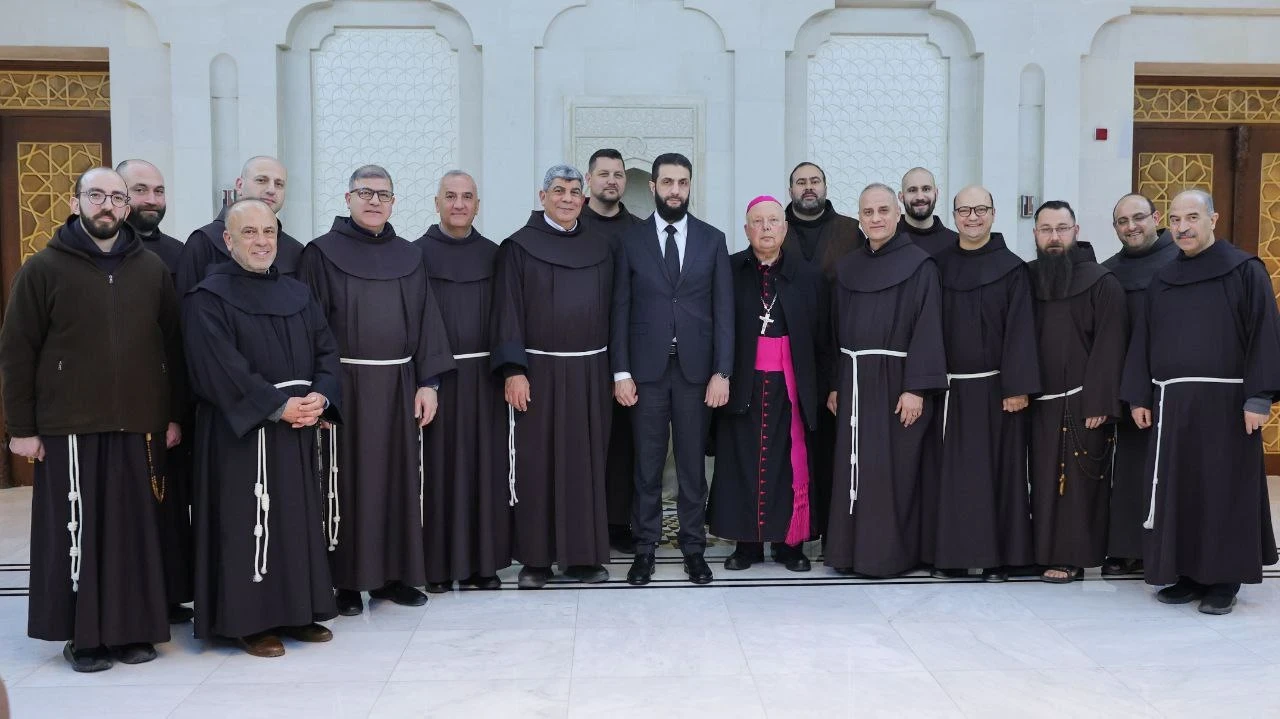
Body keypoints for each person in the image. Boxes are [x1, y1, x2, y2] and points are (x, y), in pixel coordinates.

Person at [0, 167, 183, 671]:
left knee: (133, 533)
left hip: (139, 425)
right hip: (68, 429)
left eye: (117, 198)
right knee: (75, 530)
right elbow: (17, 353)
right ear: (76, 201)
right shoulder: (42, 270)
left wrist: (172, 416)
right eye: (96, 195)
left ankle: (132, 632)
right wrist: (21, 429)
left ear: (127, 209)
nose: (108, 205)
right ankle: (83, 637)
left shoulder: (151, 270)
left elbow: (172, 347)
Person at [184, 198, 342, 657]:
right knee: (247, 521)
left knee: (294, 521)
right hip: (241, 435)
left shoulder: (298, 292)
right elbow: (219, 368)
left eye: (268, 232)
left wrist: (322, 395)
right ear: (228, 240)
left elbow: (326, 349)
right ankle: (248, 621)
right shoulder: (208, 297)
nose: (261, 241)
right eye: (249, 233)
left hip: (296, 428)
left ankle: (298, 611)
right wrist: (278, 407)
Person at [300, 165, 455, 615]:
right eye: (365, 192)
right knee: (346, 482)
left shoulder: (409, 255)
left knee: (398, 481)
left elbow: (426, 319)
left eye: (383, 194)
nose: (374, 201)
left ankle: (393, 576)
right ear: (347, 198)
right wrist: (321, 389)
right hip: (344, 386)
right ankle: (346, 581)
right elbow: (311, 327)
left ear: (393, 202)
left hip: (399, 385)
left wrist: (429, 382)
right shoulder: (320, 254)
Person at [1122, 189, 1280, 615]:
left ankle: (1223, 581)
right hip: (1173, 404)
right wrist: (1139, 394)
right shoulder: (1163, 277)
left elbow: (1263, 333)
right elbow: (1144, 339)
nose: (1182, 227)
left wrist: (1259, 396)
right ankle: (1188, 574)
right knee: (1181, 490)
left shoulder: (1245, 271)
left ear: (1214, 218)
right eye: (1174, 220)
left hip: (1227, 405)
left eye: (1191, 217)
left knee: (1222, 490)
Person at [491, 164, 614, 589]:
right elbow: (506, 311)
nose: (566, 198)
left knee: (585, 463)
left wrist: (617, 373)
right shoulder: (519, 247)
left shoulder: (600, 247)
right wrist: (513, 370)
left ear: (584, 199)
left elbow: (616, 312)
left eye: (574, 191)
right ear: (542, 197)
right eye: (558, 190)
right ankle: (536, 560)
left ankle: (582, 557)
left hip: (590, 371)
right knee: (536, 465)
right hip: (538, 372)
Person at [612, 152, 732, 586]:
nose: (675, 190)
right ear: (654, 187)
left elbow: (724, 311)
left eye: (682, 182)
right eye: (667, 183)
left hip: (697, 374)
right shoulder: (631, 240)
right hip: (644, 374)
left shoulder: (712, 239)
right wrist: (620, 371)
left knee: (691, 468)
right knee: (645, 466)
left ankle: (693, 550)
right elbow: (620, 309)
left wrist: (723, 371)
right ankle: (643, 550)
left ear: (690, 186)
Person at [824, 183, 947, 577]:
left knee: (894, 472)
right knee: (852, 467)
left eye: (882, 211)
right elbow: (833, 332)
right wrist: (835, 383)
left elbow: (928, 329)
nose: (875, 219)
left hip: (898, 385)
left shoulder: (920, 264)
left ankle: (890, 556)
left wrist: (917, 388)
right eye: (868, 212)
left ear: (897, 214)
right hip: (854, 379)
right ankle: (848, 554)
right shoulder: (847, 268)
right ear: (859, 219)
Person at [922, 186, 1038, 582]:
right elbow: (927, 329)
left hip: (996, 392)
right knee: (950, 477)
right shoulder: (936, 266)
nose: (973, 217)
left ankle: (997, 559)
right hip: (949, 391)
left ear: (994, 213)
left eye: (981, 209)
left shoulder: (1012, 268)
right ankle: (951, 556)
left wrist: (1017, 387)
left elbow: (1022, 331)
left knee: (998, 476)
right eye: (965, 210)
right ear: (953, 215)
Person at [707, 196, 829, 571]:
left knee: (787, 464)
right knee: (741, 462)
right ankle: (746, 545)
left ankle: (789, 544)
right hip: (742, 383)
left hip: (790, 388)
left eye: (773, 221)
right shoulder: (728, 270)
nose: (765, 228)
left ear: (784, 227)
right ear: (746, 230)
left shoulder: (808, 275)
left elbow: (822, 337)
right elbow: (715, 329)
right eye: (757, 222)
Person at [415, 171, 509, 592]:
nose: (458, 204)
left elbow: (509, 318)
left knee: (486, 469)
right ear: (436, 203)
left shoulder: (495, 255)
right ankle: (436, 566)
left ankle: (482, 565)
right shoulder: (415, 255)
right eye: (450, 197)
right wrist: (427, 378)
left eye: (466, 197)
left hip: (485, 379)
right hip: (437, 382)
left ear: (477, 204)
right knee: (438, 472)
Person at [1027, 200, 1127, 583]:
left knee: (1076, 485)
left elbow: (1110, 344)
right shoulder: (1028, 277)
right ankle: (1039, 551)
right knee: (1040, 481)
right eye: (1045, 229)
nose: (1054, 237)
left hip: (1085, 403)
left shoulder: (1102, 283)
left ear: (1076, 230)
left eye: (1061, 228)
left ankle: (1072, 556)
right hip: (1036, 403)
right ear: (1035, 234)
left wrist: (1100, 400)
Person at [117, 158, 195, 624]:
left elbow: (183, 336)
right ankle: (128, 604)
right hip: (112, 408)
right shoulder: (95, 253)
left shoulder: (179, 254)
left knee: (167, 506)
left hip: (168, 404)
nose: (151, 199)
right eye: (140, 190)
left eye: (159, 191)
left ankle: (166, 595)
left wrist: (179, 411)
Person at [783, 162, 863, 543]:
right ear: (791, 190)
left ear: (826, 186)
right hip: (784, 354)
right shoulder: (772, 227)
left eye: (815, 181)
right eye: (801, 182)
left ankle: (833, 531)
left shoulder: (850, 231)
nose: (809, 188)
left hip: (838, 353)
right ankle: (790, 529)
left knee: (833, 444)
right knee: (788, 443)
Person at [1100, 193, 1178, 576]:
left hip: (1172, 384)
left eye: (1138, 218)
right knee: (1130, 467)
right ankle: (1126, 546)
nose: (1131, 227)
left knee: (1170, 468)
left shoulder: (1179, 262)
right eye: (1122, 222)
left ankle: (1165, 546)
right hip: (1127, 384)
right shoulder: (1109, 270)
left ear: (1157, 217)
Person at [579, 148, 644, 554]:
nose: (611, 181)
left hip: (628, 356)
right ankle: (583, 517)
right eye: (603, 173)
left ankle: (618, 522)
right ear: (589, 180)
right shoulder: (571, 225)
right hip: (578, 353)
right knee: (582, 440)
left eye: (618, 174)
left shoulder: (639, 230)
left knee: (623, 442)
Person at [176, 155, 305, 296]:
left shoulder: (295, 251)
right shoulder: (203, 242)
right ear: (239, 185)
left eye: (279, 184)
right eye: (261, 180)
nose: (271, 190)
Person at [896, 167, 958, 256]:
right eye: (912, 190)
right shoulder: (888, 237)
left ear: (936, 194)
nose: (920, 197)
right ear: (901, 197)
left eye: (926, 189)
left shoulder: (955, 242)